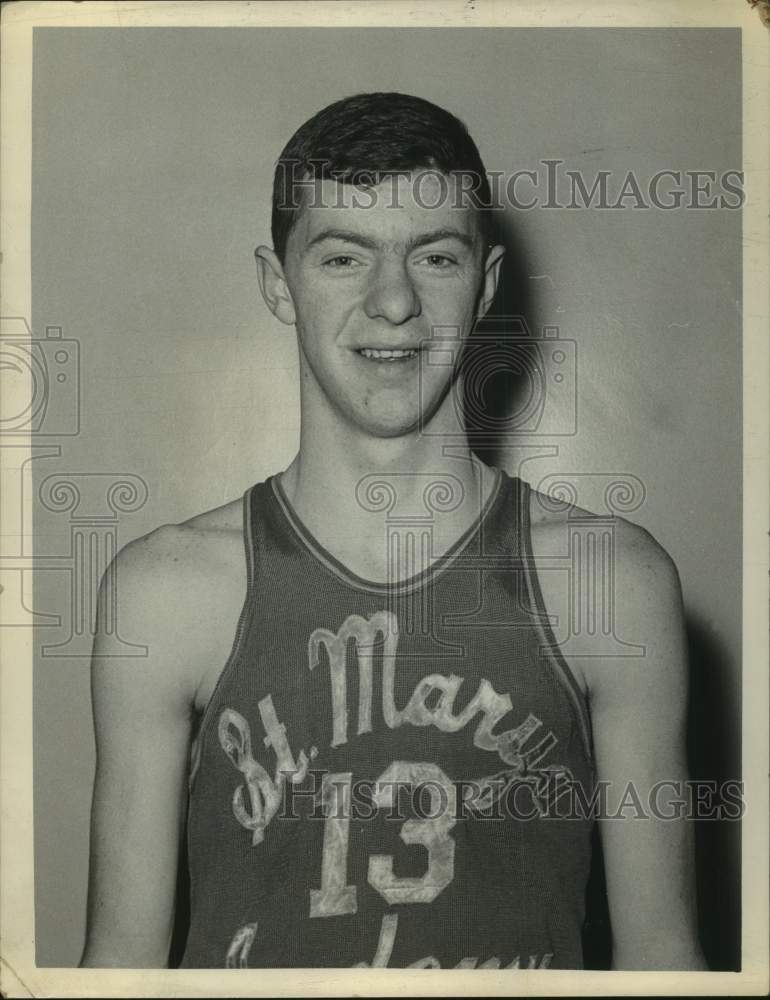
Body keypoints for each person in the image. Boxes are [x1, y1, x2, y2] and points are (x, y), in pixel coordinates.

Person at [80, 92, 707, 970]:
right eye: (343, 257)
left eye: (436, 257)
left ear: (484, 284)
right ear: (276, 282)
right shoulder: (162, 595)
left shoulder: (611, 583)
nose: (394, 303)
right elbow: (117, 971)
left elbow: (665, 964)